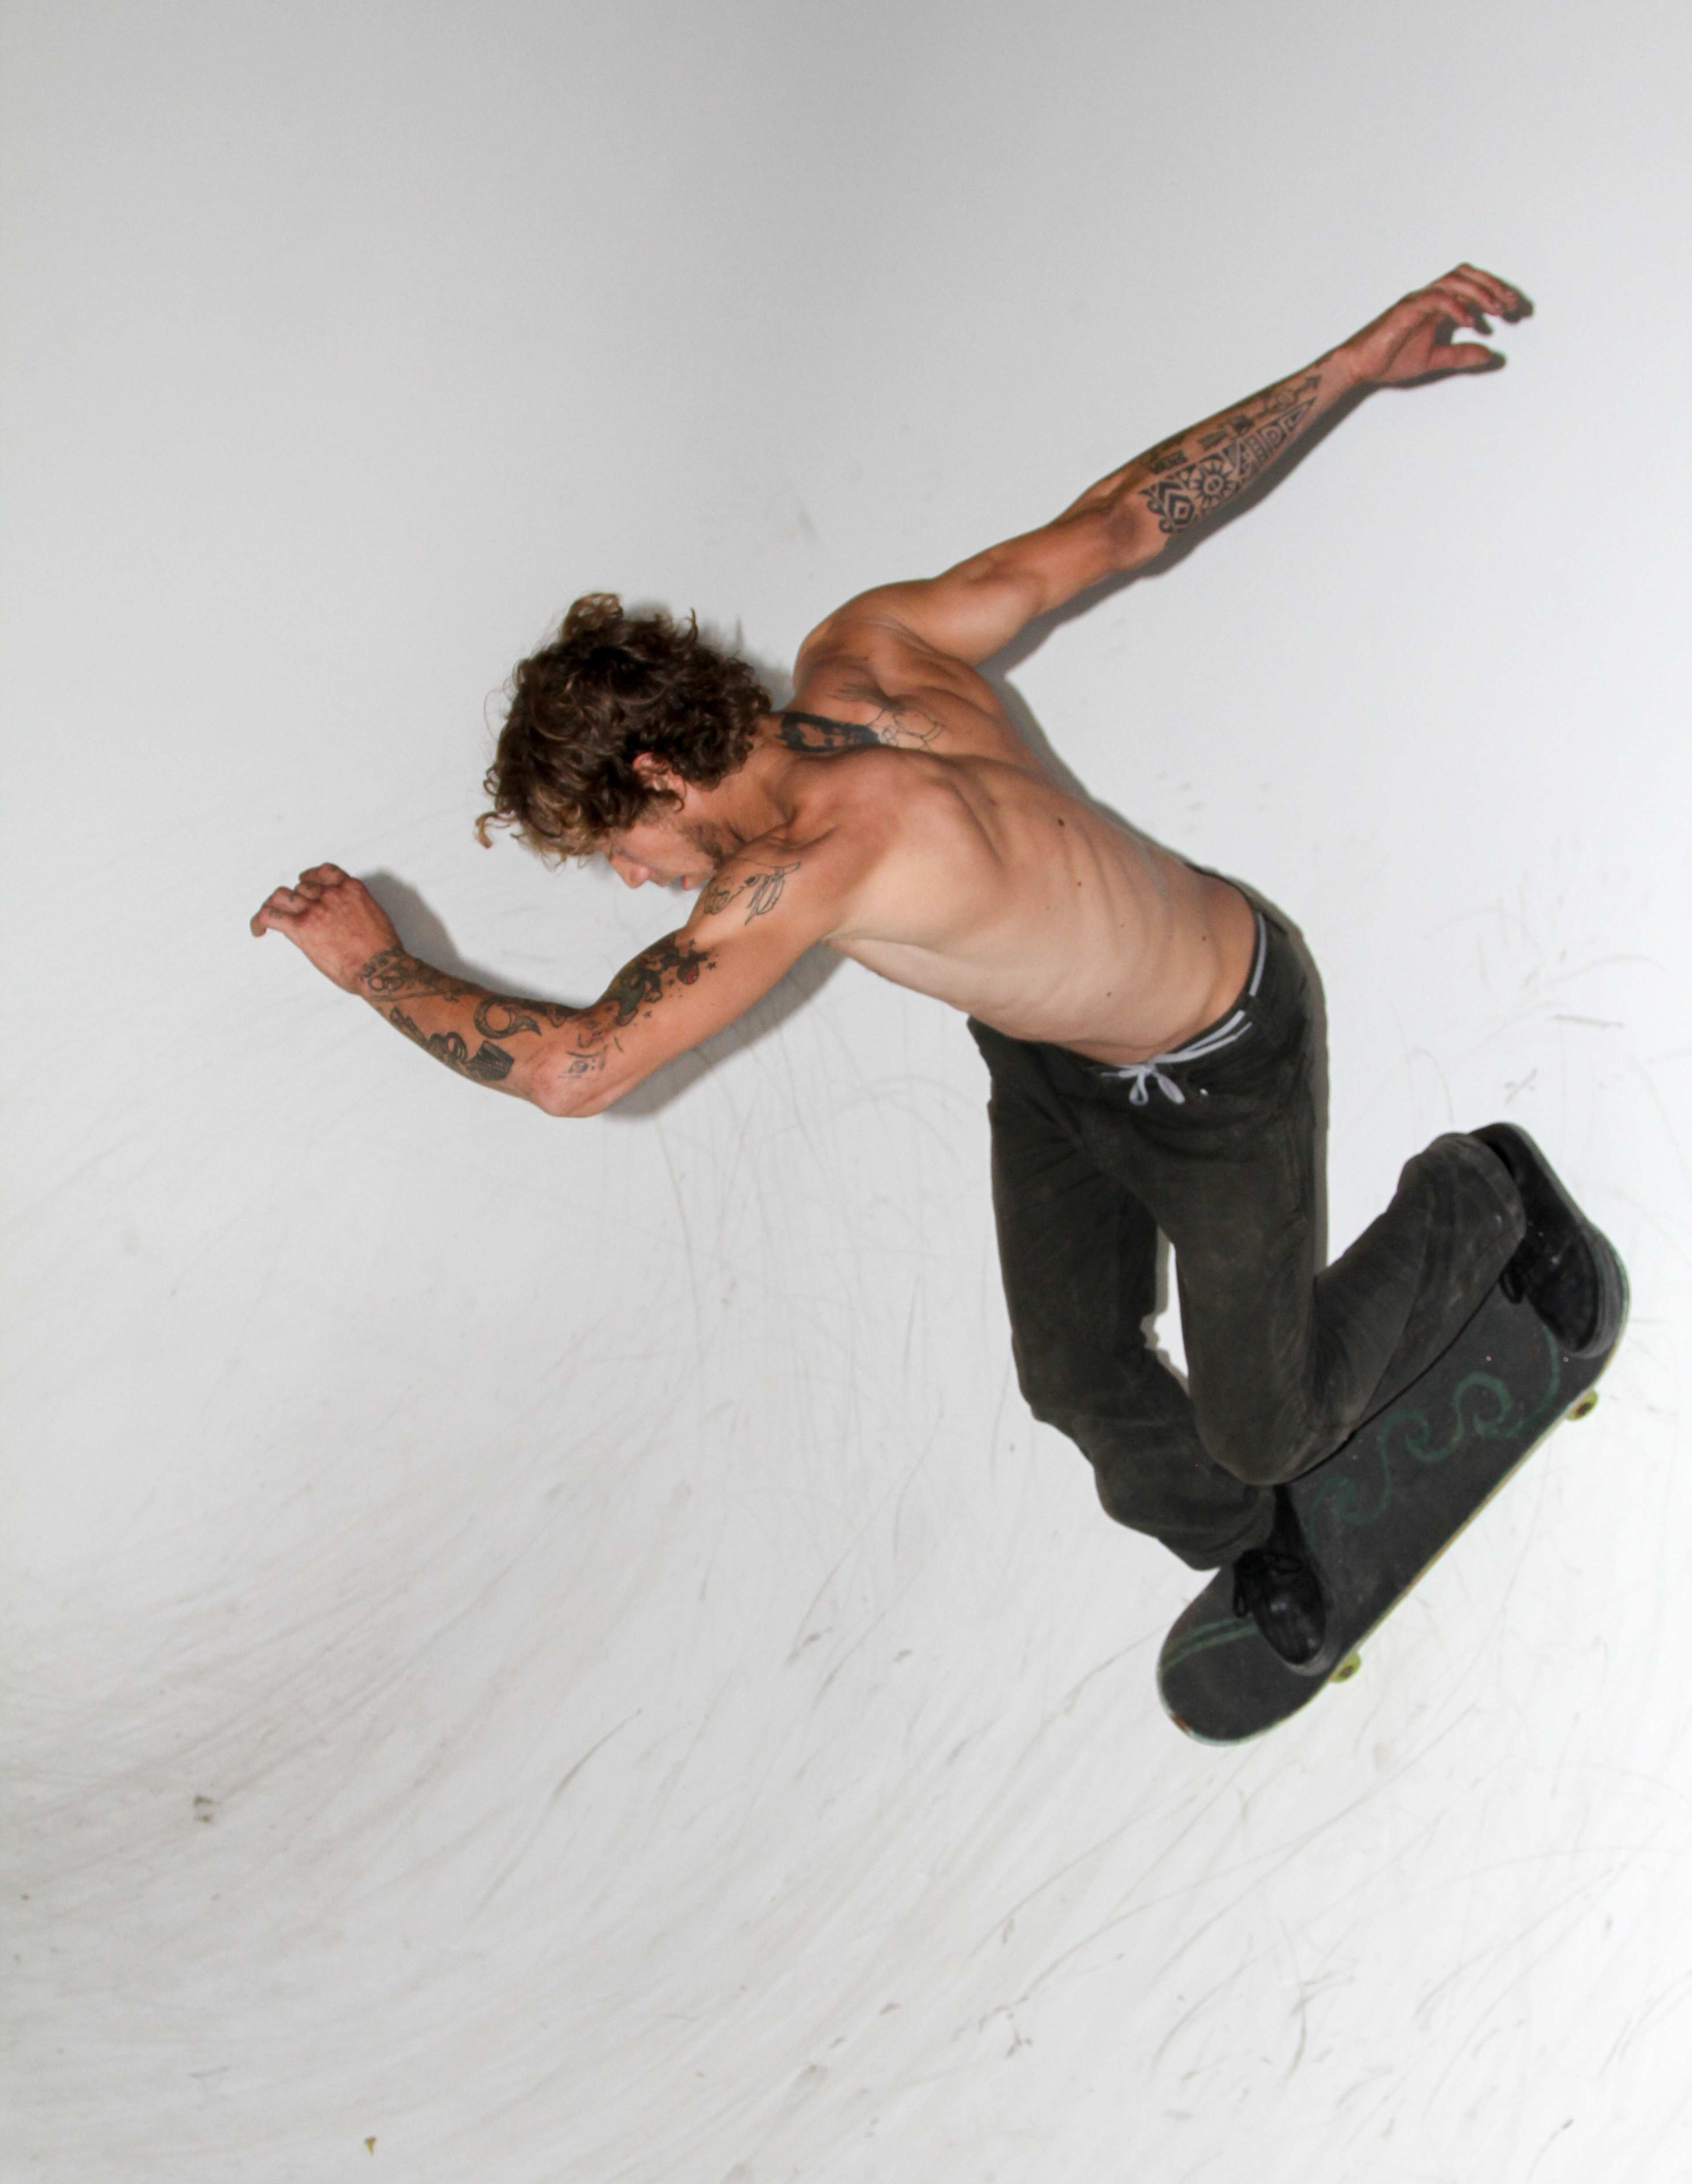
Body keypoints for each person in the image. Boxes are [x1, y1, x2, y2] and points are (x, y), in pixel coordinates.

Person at [252, 263, 1608, 1668]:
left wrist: (374, 970)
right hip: (1047, 1058)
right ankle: (1252, 1535)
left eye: (620, 840)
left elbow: (577, 1069)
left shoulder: (818, 860)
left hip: (1222, 1050)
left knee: (1269, 1415)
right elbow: (1128, 519)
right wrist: (1346, 367)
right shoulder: (867, 648)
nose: (631, 877)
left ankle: (1481, 1195)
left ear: (659, 767)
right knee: (1074, 1372)